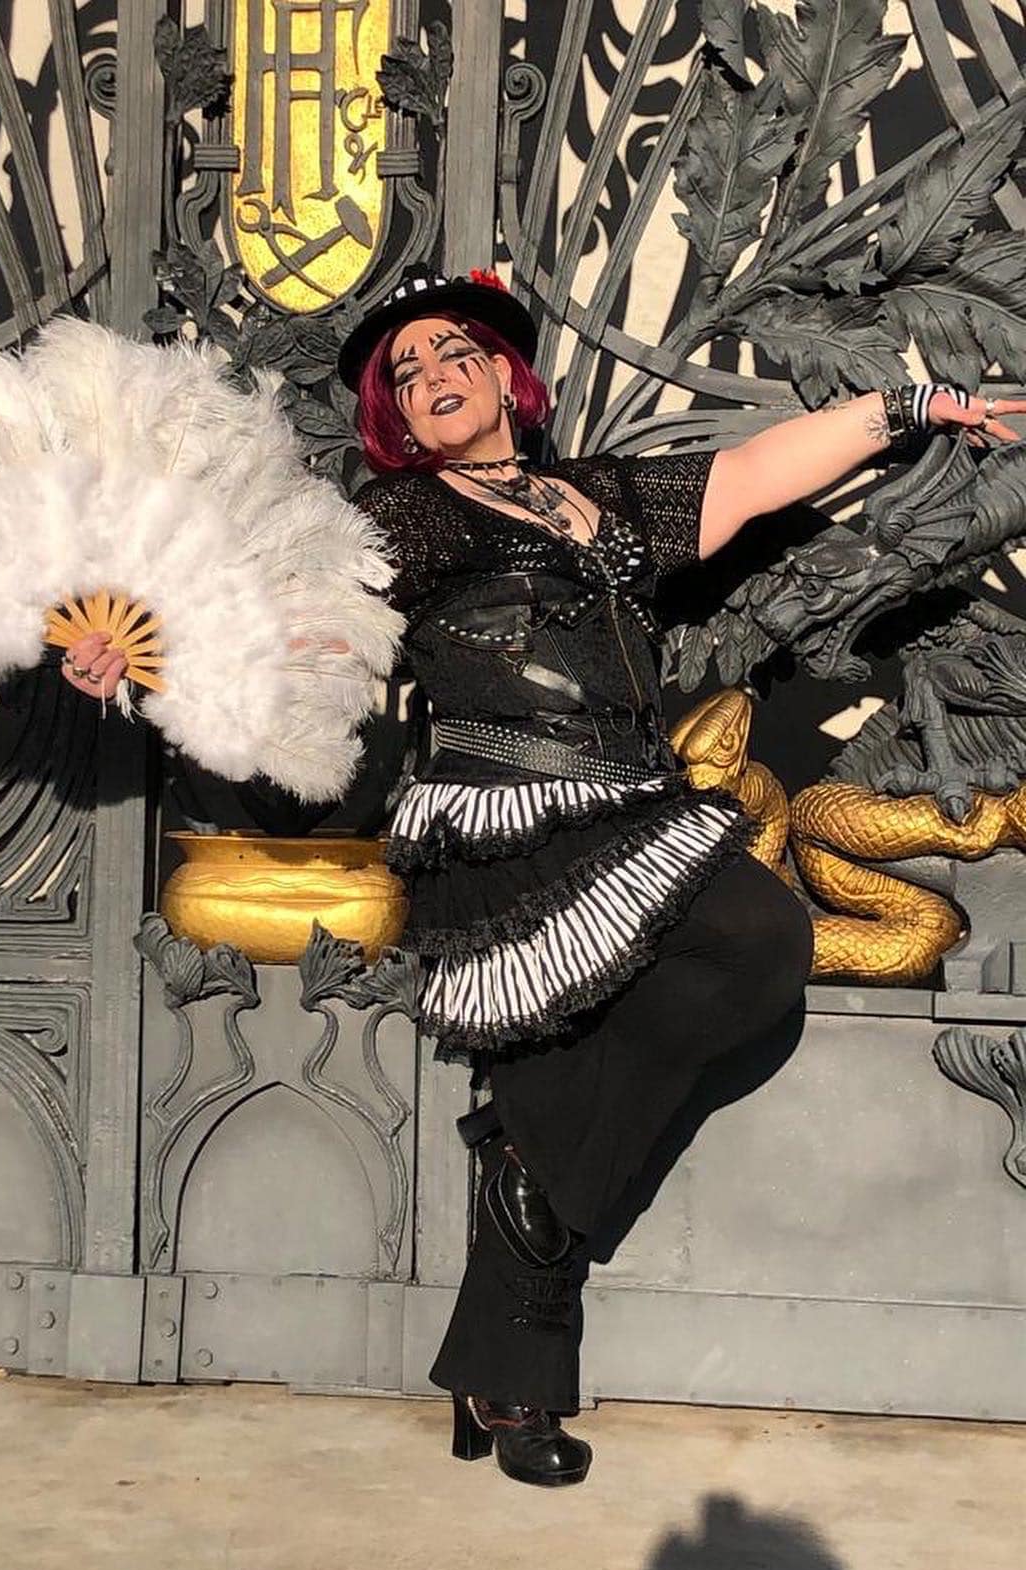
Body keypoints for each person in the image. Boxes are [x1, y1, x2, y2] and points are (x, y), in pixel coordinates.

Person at [61, 269, 1022, 1489]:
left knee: (756, 943)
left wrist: (913, 406)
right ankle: (515, 1390)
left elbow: (757, 472)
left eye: (450, 352)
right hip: (500, 828)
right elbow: (288, 631)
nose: (430, 377)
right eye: (405, 372)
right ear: (394, 415)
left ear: (504, 375)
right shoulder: (396, 516)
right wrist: (148, 658)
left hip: (633, 804)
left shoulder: (602, 493)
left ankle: (522, 1172)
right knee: (555, 1060)